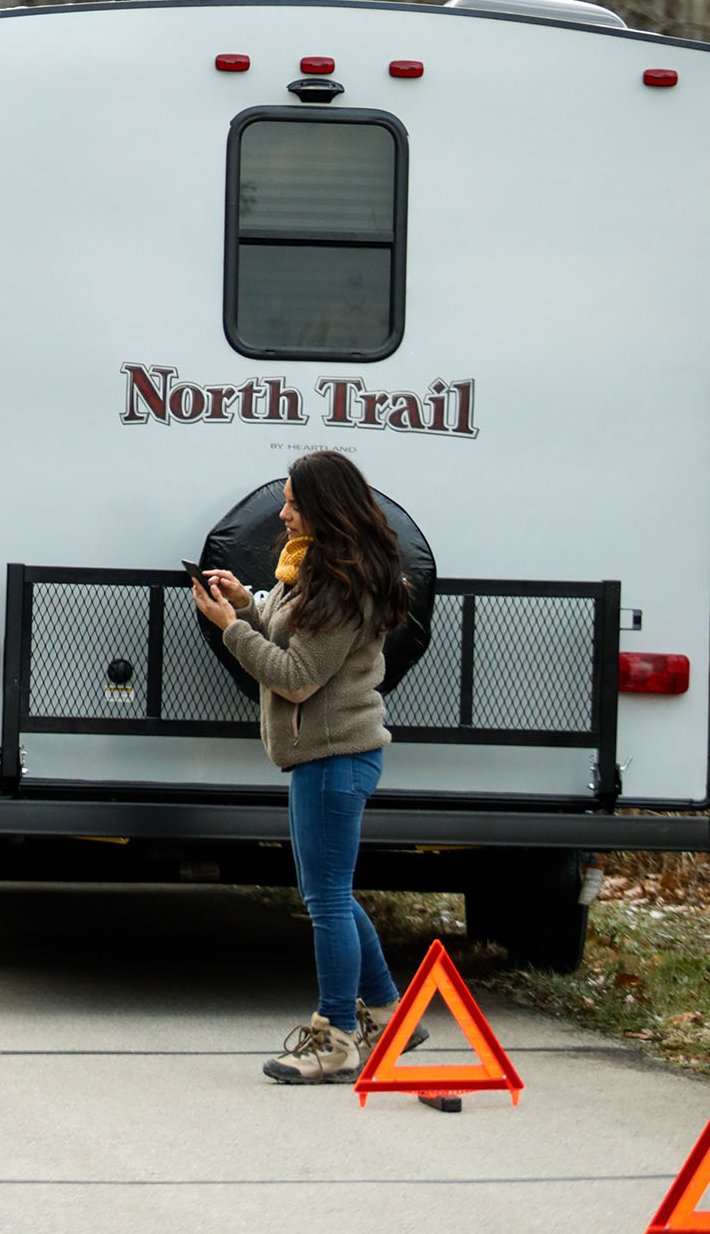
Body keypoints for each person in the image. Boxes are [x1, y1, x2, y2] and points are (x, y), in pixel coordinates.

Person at [191, 451, 426, 1083]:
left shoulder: (343, 586)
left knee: (325, 900)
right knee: (332, 894)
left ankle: (337, 1035)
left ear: (326, 508)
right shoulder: (313, 570)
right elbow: (285, 632)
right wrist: (244, 605)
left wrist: (227, 630)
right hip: (323, 754)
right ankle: (387, 1012)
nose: (284, 512)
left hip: (335, 755)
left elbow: (296, 677)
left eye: (294, 502)